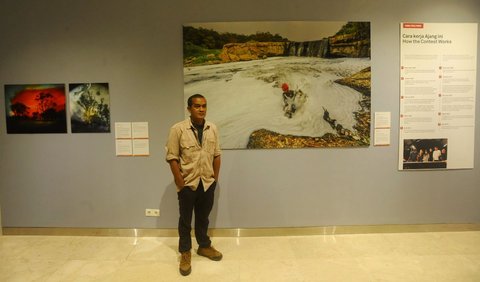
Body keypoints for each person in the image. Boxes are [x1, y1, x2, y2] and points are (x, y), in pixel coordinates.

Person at [165, 94, 222, 276]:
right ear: (189, 108)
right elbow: (172, 157)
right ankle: (185, 252)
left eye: (204, 106)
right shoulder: (178, 129)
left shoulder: (212, 128)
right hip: (188, 184)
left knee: (203, 218)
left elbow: (217, 155)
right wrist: (179, 182)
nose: (201, 109)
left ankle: (204, 246)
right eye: (197, 106)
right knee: (185, 221)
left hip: (207, 183)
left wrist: (215, 179)